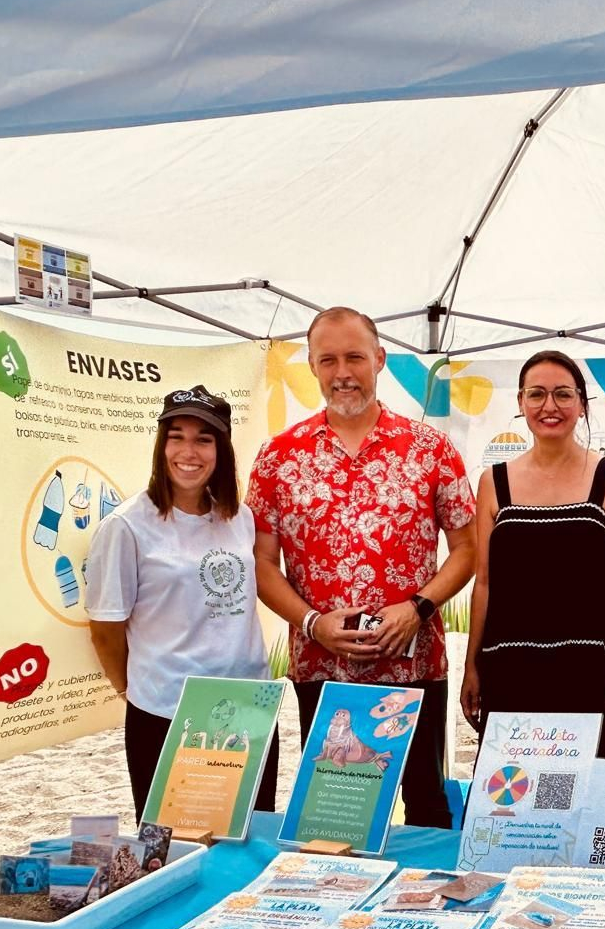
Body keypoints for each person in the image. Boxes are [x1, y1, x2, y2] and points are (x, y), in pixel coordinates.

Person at [247, 307, 476, 829]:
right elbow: (261, 563)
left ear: (380, 359)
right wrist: (312, 623)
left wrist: (418, 608)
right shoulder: (278, 457)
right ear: (311, 365)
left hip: (413, 666)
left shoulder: (430, 449)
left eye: (355, 356)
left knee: (427, 807)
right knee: (334, 817)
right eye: (328, 360)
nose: (342, 372)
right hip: (324, 670)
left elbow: (467, 548)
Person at [87, 385, 270, 820]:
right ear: (161, 444)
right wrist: (133, 690)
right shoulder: (127, 526)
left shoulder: (239, 518)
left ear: (221, 451)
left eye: (204, 439)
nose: (189, 452)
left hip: (248, 709)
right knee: (173, 847)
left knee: (245, 838)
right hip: (169, 712)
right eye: (177, 436)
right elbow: (105, 628)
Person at [460, 350, 605, 759]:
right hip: (511, 674)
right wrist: (472, 665)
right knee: (515, 809)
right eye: (537, 394)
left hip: (593, 674)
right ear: (521, 403)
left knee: (593, 808)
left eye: (563, 394)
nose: (550, 406)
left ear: (582, 404)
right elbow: (485, 582)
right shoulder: (494, 481)